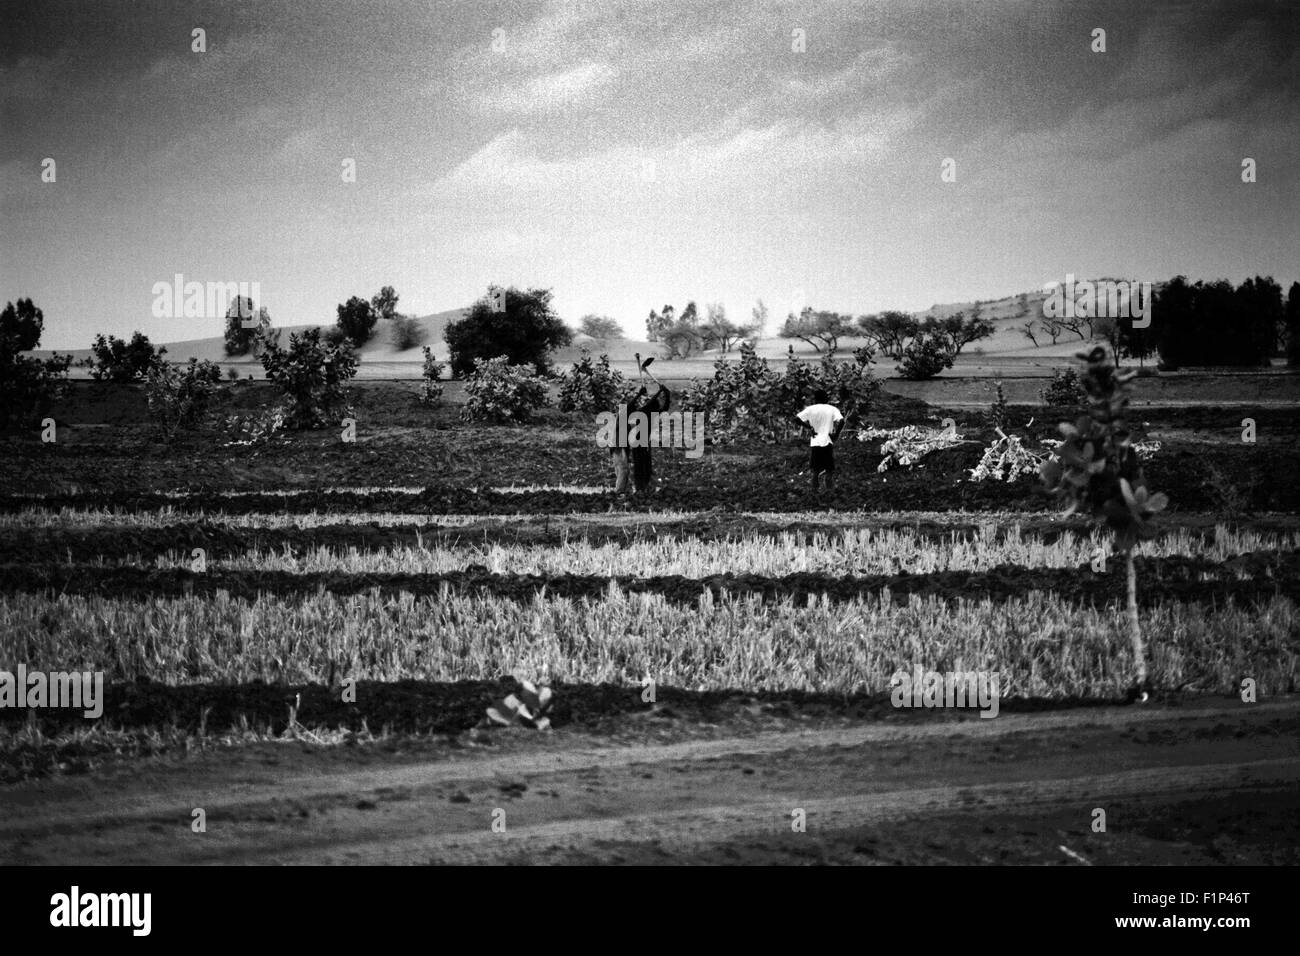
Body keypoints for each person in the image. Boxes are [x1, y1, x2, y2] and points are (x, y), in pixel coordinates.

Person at [612, 357, 671, 495]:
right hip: (619, 445)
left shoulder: (645, 414)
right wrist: (655, 393)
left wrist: (665, 394)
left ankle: (634, 490)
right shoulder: (629, 414)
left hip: (636, 444)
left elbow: (662, 407)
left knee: (637, 468)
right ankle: (620, 492)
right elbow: (643, 405)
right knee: (624, 468)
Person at [796, 389, 844, 491]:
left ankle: (814, 491)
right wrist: (836, 435)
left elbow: (797, 419)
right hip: (827, 440)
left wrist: (809, 428)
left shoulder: (810, 409)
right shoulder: (832, 409)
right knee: (829, 468)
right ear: (826, 398)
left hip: (815, 441)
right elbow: (841, 421)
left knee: (815, 469)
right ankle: (829, 489)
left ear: (815, 399)